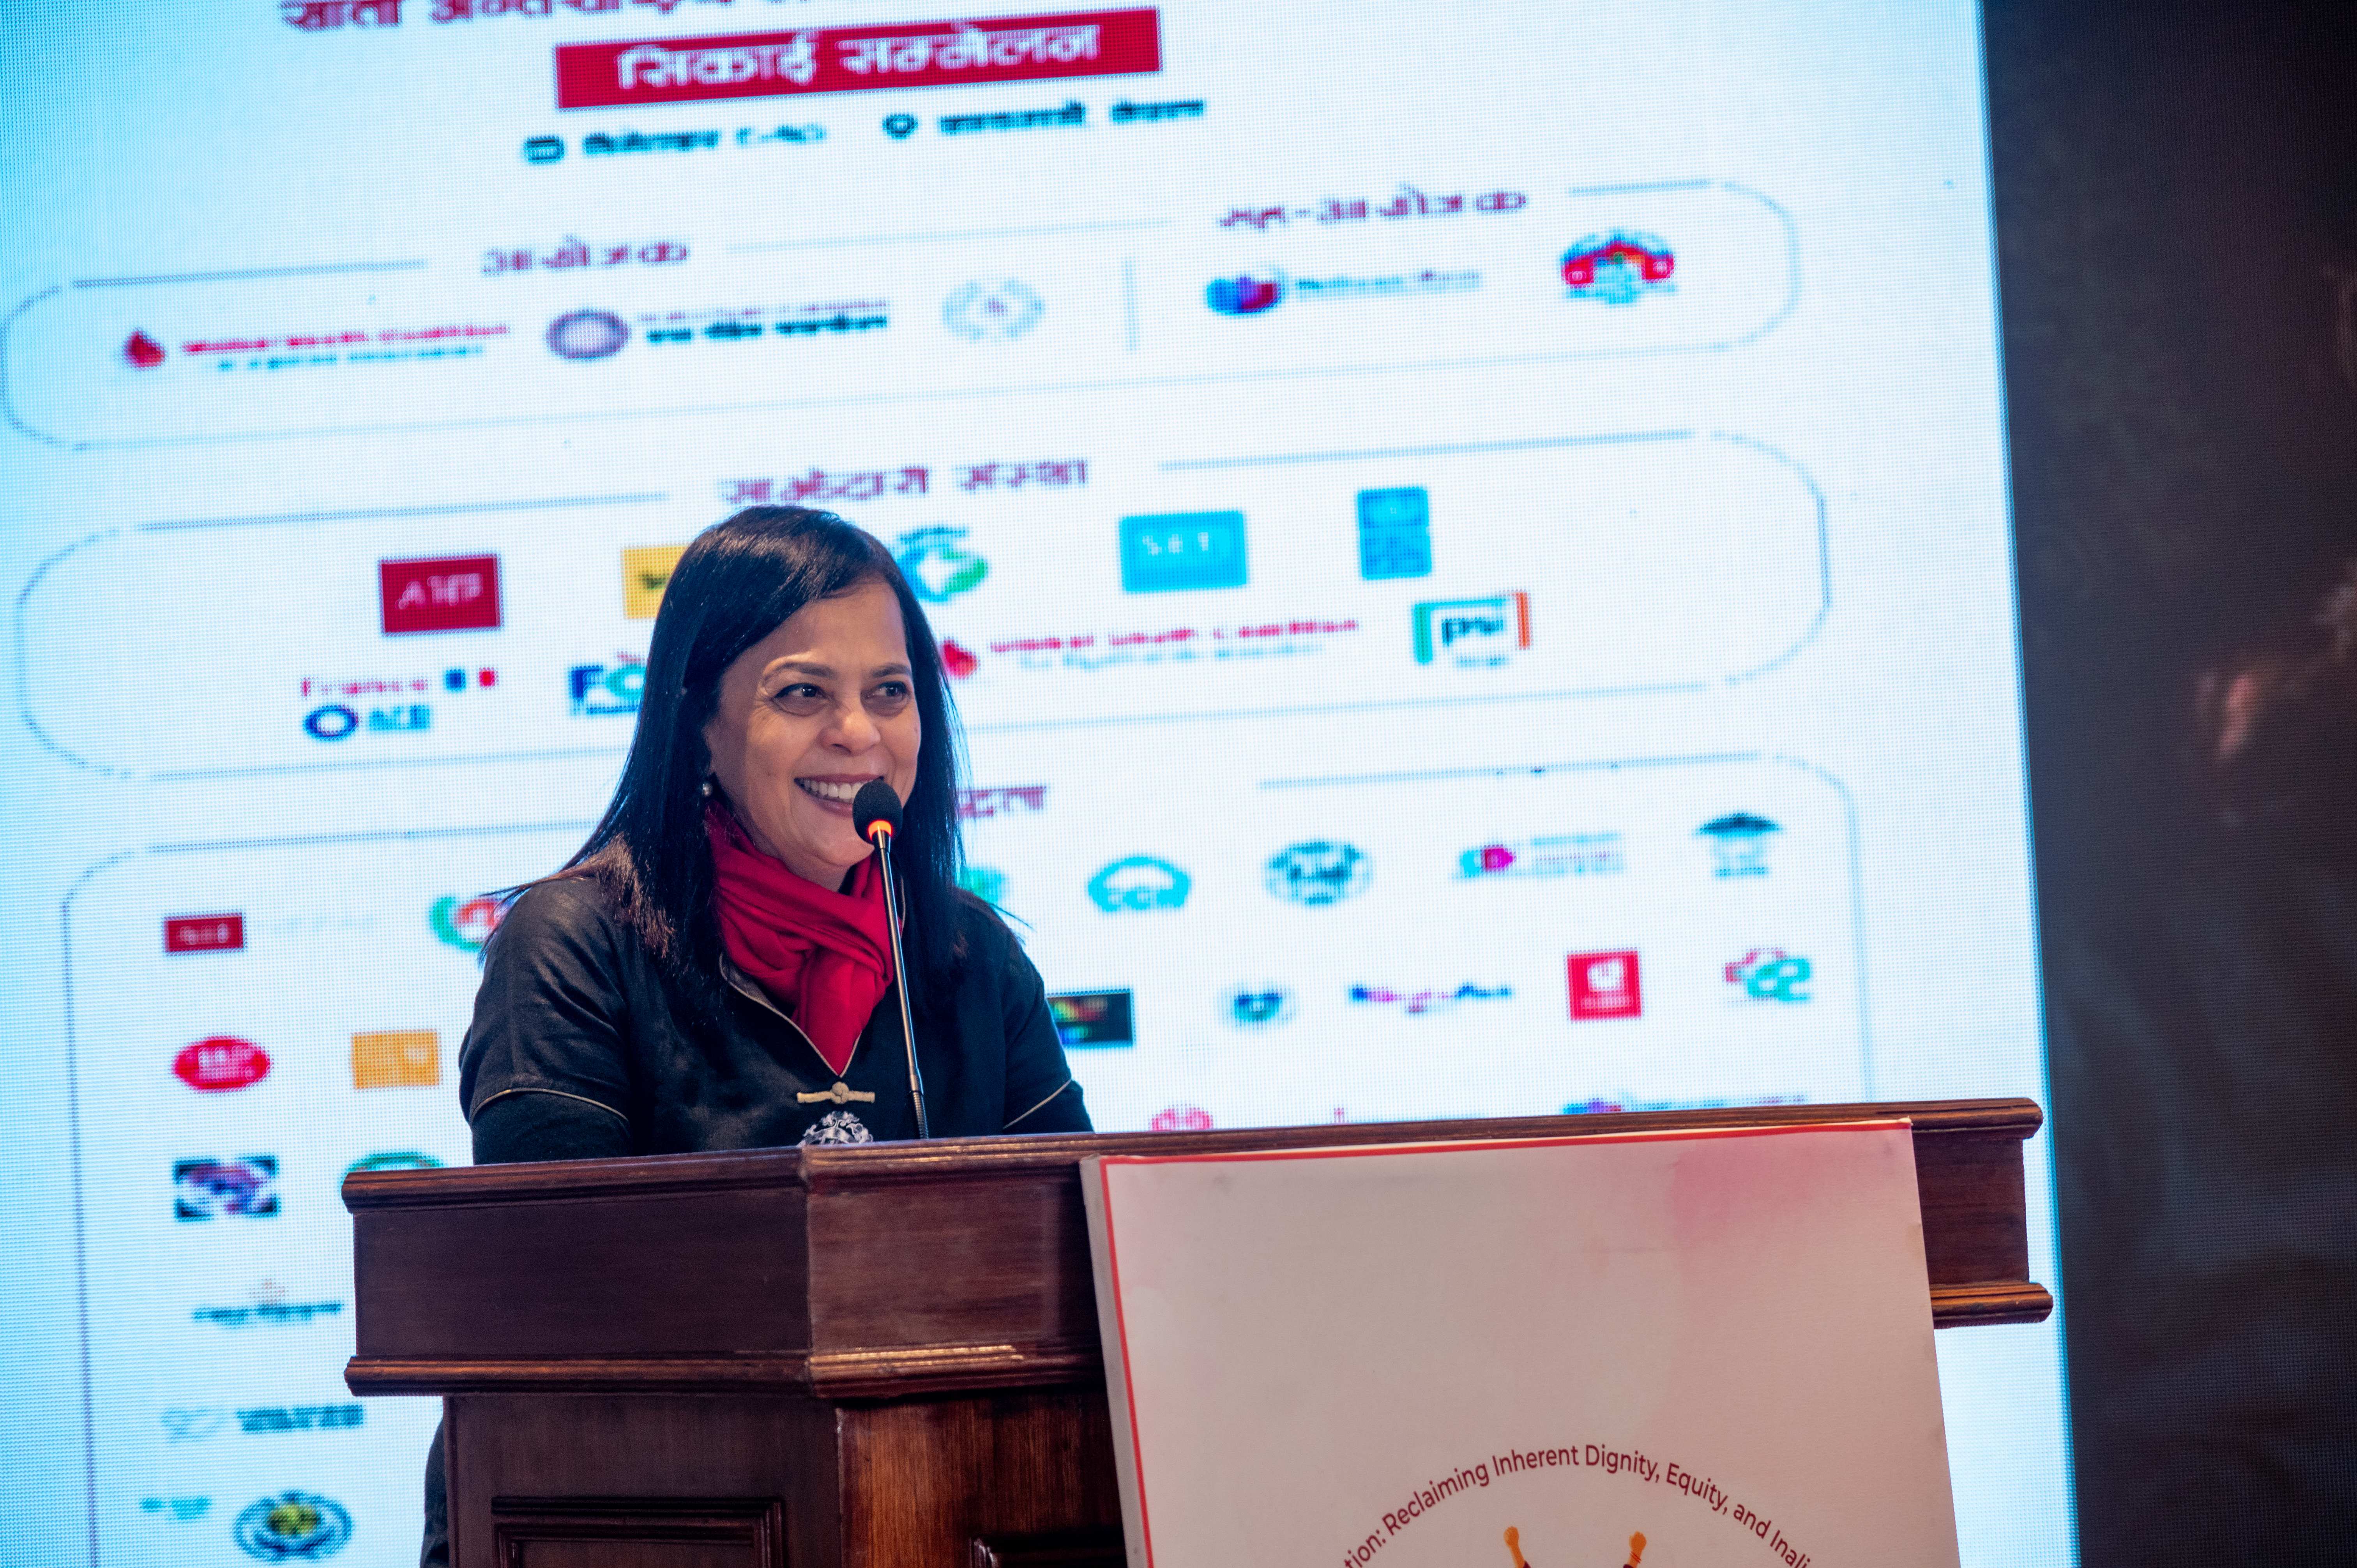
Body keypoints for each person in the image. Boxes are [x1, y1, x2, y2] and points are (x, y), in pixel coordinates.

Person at [420, 505, 1090, 1565]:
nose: (859, 733)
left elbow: (1082, 1259)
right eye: (802, 694)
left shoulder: (970, 956)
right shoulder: (574, 943)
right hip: (638, 1522)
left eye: (890, 692)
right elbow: (552, 1299)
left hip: (942, 1513)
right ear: (699, 721)